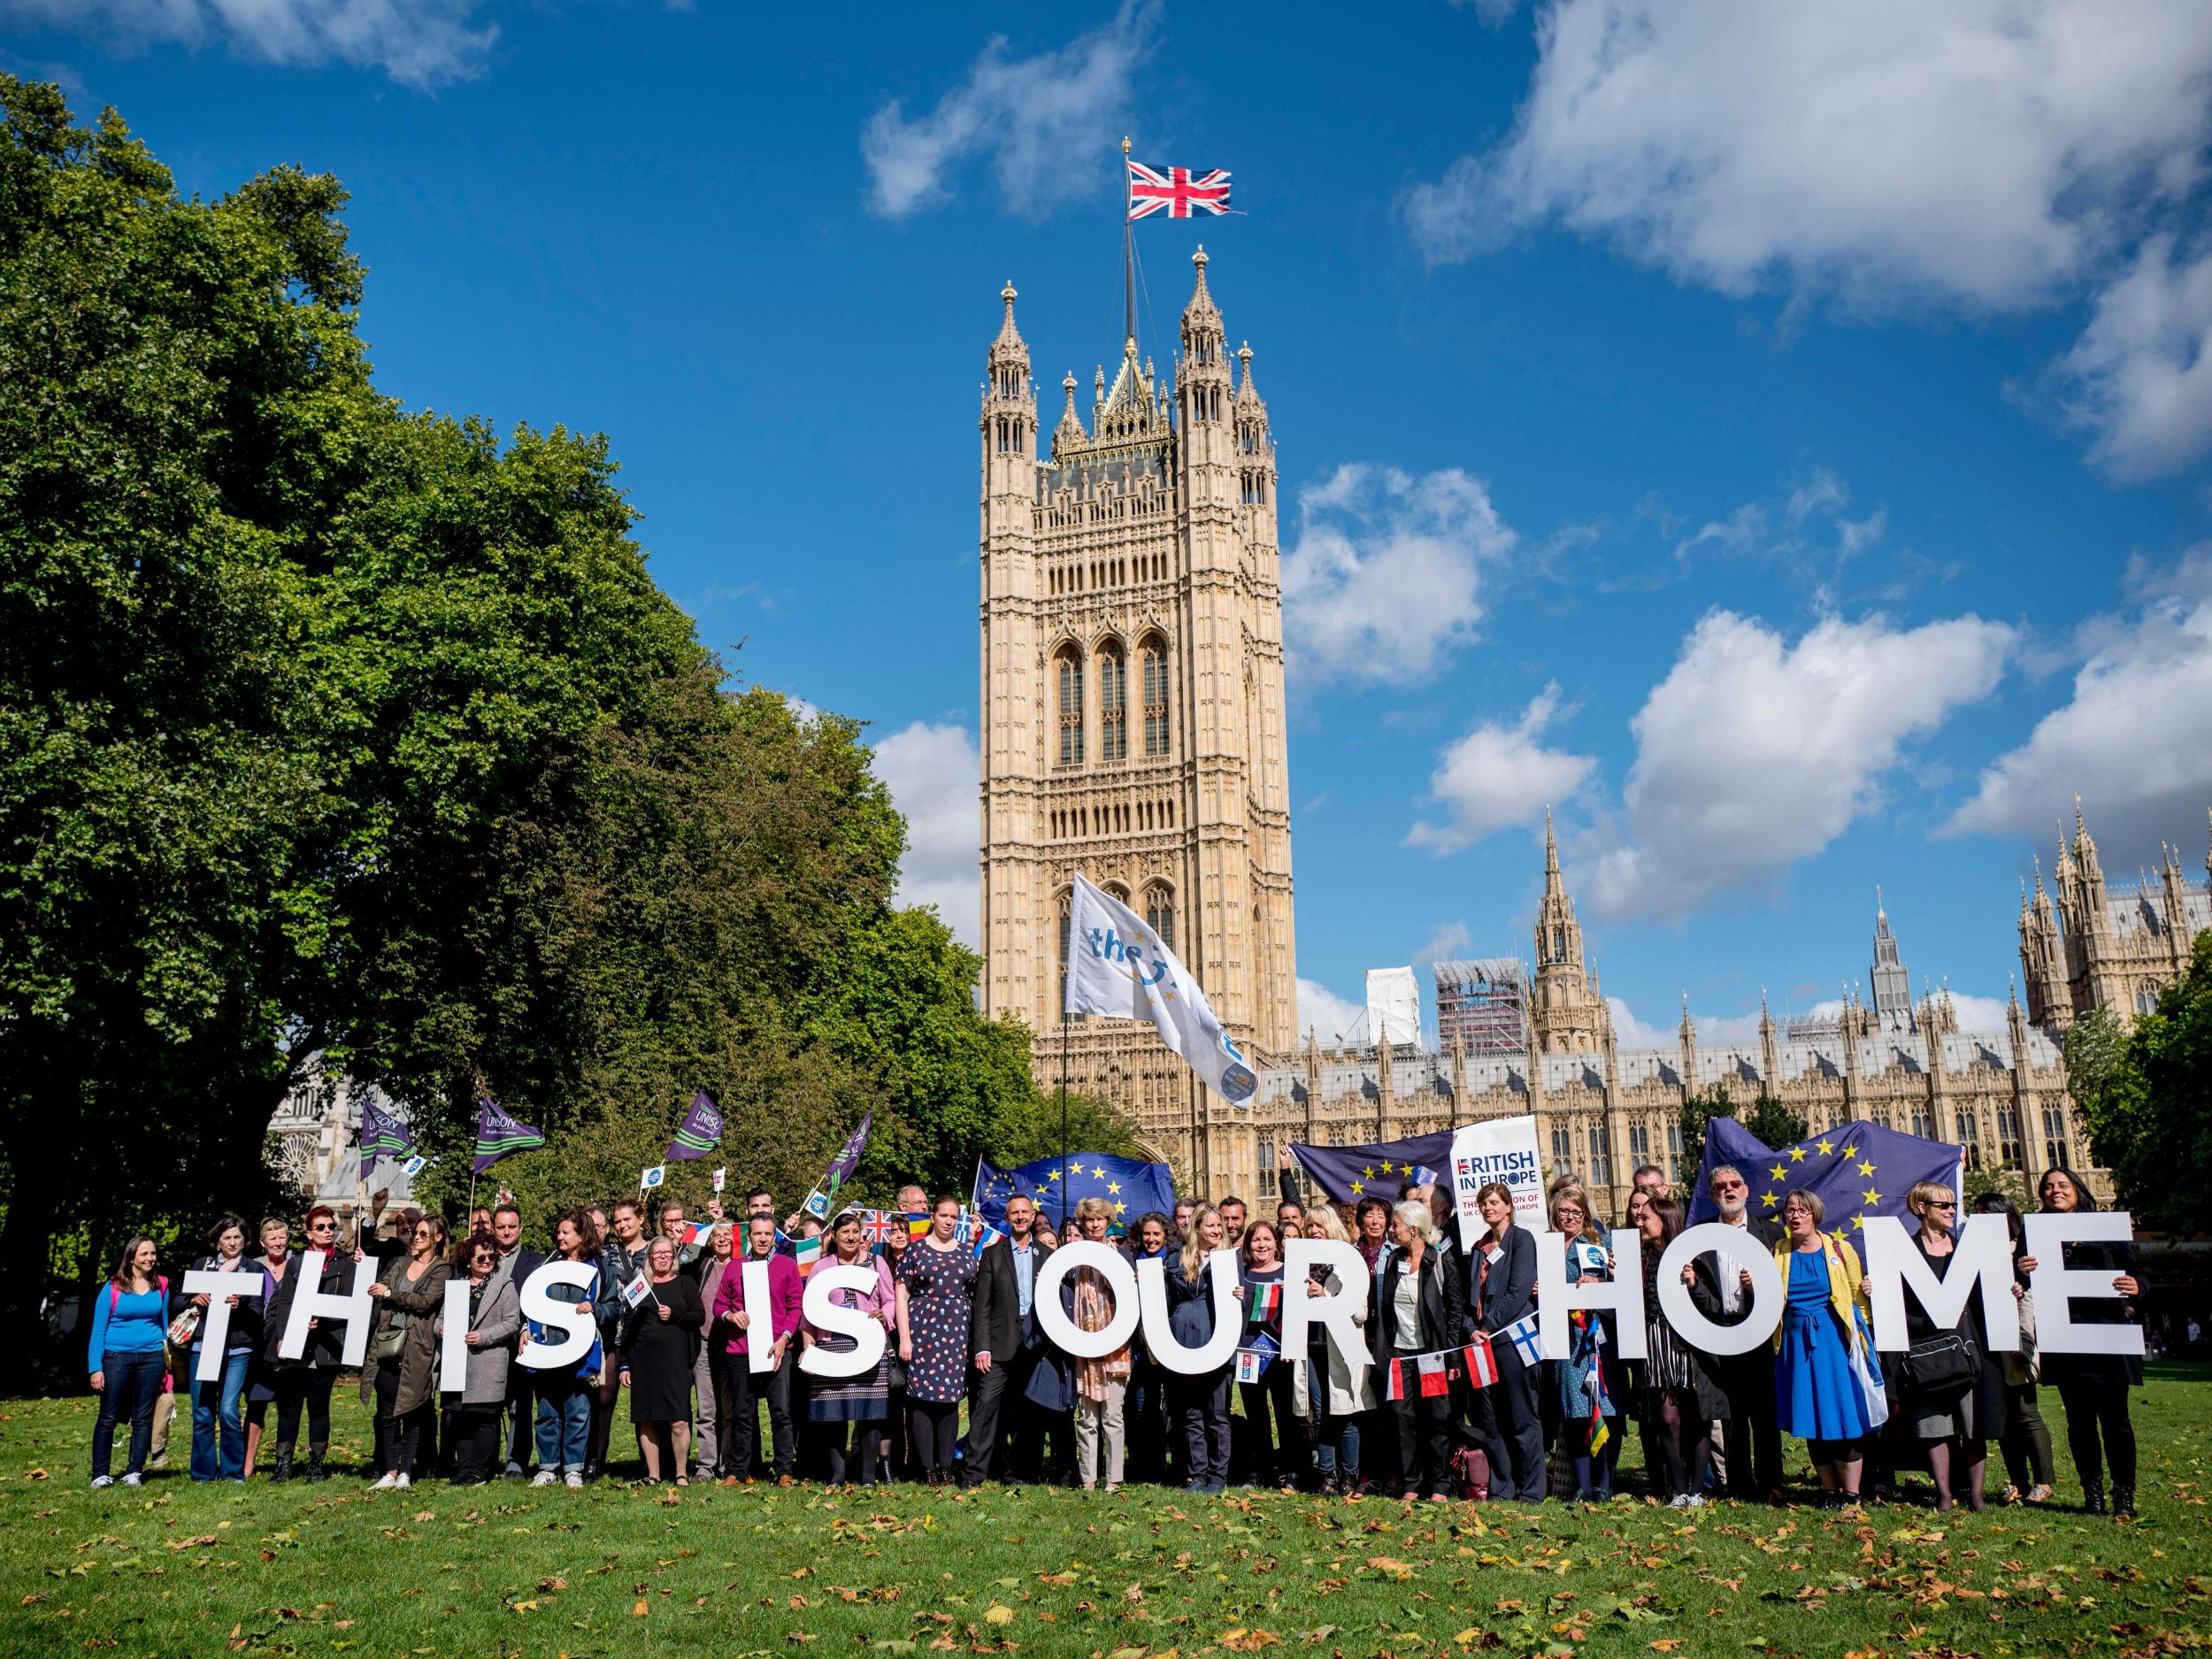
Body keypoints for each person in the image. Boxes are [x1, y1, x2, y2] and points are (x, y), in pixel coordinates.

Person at [2023, 1167, 2142, 1518]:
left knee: (2117, 1420)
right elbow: (2020, 1281)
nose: (2054, 1191)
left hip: (2107, 1334)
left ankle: (2123, 1494)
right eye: (2048, 1187)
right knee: (2079, 1422)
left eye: (2061, 1185)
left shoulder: (2103, 1228)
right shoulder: (2036, 1233)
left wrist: (2137, 1287)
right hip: (2065, 1338)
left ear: (2077, 1189)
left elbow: (2134, 1272)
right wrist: (2021, 1269)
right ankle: (2092, 1492)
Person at [1896, 1180, 2004, 1512]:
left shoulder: (1965, 1251)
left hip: (1969, 1350)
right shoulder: (1903, 1252)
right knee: (1935, 1426)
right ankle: (1944, 1494)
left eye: (1953, 1205)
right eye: (1942, 1205)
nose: (1951, 1211)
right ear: (1921, 1209)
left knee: (1974, 1427)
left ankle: (1976, 1495)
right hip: (1926, 1352)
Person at [1771, 1188, 1880, 1509]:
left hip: (1834, 1343)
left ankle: (1852, 1493)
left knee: (1842, 1417)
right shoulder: (1778, 1252)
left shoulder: (1839, 1248)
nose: (1795, 1215)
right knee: (1810, 1420)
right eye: (1790, 1210)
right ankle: (1830, 1492)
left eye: (1802, 1210)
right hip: (1795, 1344)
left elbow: (1857, 1300)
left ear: (1815, 1214)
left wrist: (1864, 1334)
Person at [1635, 1195, 1727, 1507]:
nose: (1640, 1221)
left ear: (1664, 1219)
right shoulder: (1639, 1258)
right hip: (1656, 1344)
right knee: (1668, 1419)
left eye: (1646, 1217)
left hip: (1689, 1347)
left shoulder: (1694, 1258)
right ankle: (1679, 1490)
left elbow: (1714, 1306)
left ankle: (1698, 1489)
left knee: (1697, 1418)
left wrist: (1694, 1284)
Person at [1370, 1200, 1463, 1502]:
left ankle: (1439, 1485)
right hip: (1401, 1355)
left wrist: (1452, 1356)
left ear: (1413, 1230)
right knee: (1402, 1416)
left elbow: (1453, 1311)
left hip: (1432, 1354)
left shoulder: (1438, 1261)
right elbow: (1385, 1307)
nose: (1390, 1229)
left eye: (1395, 1224)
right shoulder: (1392, 1260)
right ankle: (1411, 1483)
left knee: (1436, 1417)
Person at [1702, 1164, 1785, 1502]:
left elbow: (1787, 1285)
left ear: (1746, 1190)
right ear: (1713, 1195)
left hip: (1761, 1334)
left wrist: (1759, 1287)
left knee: (1765, 1413)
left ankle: (1771, 1483)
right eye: (1721, 1186)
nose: (1729, 1190)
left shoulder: (1772, 1233)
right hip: (1722, 1333)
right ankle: (1738, 1484)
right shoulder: (1701, 1235)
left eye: (1735, 1185)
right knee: (1731, 1415)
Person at [801, 1210, 895, 1486]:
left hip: (869, 1345)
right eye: (845, 1232)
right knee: (834, 1413)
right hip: (832, 1346)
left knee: (870, 1412)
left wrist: (883, 1314)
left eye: (855, 1231)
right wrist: (809, 1348)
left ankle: (867, 1475)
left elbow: (890, 1300)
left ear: (861, 1234)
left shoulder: (877, 1263)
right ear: (834, 1237)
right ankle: (837, 1475)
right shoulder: (821, 1268)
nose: (851, 1237)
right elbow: (808, 1314)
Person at [1972, 1191, 2054, 1505]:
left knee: (2025, 1412)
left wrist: (2025, 1343)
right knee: (2002, 1416)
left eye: (1986, 1213)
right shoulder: (1976, 1252)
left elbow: (2027, 1300)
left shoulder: (2019, 1251)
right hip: (1986, 1344)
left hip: (2014, 1343)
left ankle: (2044, 1481)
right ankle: (2018, 1480)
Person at [261, 1205, 349, 1482]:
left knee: (319, 1406)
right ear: (309, 1233)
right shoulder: (297, 1264)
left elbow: (348, 1303)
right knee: (288, 1407)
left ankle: (316, 1467)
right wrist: (282, 1337)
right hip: (296, 1345)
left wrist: (321, 1319)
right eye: (320, 1227)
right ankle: (283, 1466)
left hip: (326, 1347)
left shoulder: (344, 1265)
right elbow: (284, 1302)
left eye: (330, 1227)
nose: (327, 1231)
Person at [967, 1194, 1049, 1487]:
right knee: (986, 1406)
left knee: (1027, 1412)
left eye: (1024, 1212)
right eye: (1014, 1212)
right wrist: (983, 1347)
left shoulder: (1047, 1254)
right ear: (1007, 1216)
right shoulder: (993, 1253)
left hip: (1035, 1345)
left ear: (1032, 1215)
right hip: (999, 1345)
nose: (1020, 1217)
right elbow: (982, 1306)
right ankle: (974, 1473)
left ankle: (1019, 1473)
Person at [1470, 1181, 1544, 1502]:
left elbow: (1518, 1292)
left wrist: (1488, 1325)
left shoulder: (1522, 1240)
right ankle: (1503, 1487)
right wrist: (1471, 1328)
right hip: (1482, 1343)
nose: (1489, 1208)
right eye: (1484, 1203)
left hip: (1512, 1340)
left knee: (1522, 1417)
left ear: (1509, 1207)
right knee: (1494, 1419)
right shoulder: (1479, 1247)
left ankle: (1531, 1490)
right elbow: (1472, 1296)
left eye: (1495, 1202)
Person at [895, 1196, 978, 1487]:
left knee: (949, 1401)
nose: (948, 1221)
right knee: (921, 1400)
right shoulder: (915, 1251)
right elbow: (902, 1297)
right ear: (933, 1216)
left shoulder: (967, 1253)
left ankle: (945, 1468)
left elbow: (973, 1295)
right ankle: (927, 1469)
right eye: (943, 1215)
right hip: (922, 1333)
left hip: (956, 1335)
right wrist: (905, 1338)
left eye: (953, 1217)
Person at [713, 1213, 802, 1484]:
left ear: (774, 1236)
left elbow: (795, 1307)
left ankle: (784, 1471)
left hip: (777, 1350)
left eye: (767, 1234)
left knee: (781, 1414)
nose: (762, 1238)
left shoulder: (787, 1266)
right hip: (740, 1351)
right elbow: (719, 1303)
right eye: (757, 1234)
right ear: (749, 1236)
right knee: (742, 1414)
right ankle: (737, 1471)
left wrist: (784, 1339)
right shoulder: (735, 1267)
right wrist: (729, 1316)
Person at [365, 1213, 450, 1488]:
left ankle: (406, 1472)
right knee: (388, 1410)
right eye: (416, 1232)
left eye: (424, 1233)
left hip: (418, 1347)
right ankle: (389, 1472)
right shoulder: (400, 1263)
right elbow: (380, 1288)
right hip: (389, 1342)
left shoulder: (441, 1269)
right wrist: (386, 1292)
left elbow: (425, 1301)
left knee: (412, 1409)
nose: (416, 1237)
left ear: (437, 1238)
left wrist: (391, 1294)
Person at [1551, 1186, 1624, 1503]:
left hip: (1595, 1337)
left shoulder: (1597, 1242)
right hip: (1563, 1339)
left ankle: (1603, 1486)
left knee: (1602, 1409)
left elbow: (1620, 1283)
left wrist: (1602, 1281)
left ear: (1585, 1215)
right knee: (1574, 1412)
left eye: (1576, 1212)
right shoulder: (1548, 1246)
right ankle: (1581, 1486)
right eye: (1564, 1211)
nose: (1569, 1217)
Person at [175, 1216, 260, 1483]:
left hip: (237, 1349)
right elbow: (177, 1300)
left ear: (244, 1240)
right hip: (203, 1346)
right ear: (217, 1243)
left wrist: (241, 1306)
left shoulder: (253, 1269)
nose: (233, 1242)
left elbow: (259, 1311)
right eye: (227, 1238)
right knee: (202, 1412)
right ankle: (203, 1473)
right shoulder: (203, 1266)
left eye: (237, 1237)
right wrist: (193, 1298)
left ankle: (233, 1473)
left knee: (228, 1411)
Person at [1293, 1208, 1371, 1494]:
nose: (1313, 1231)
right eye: (1310, 1226)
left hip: (1339, 1349)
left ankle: (1349, 1475)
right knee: (1320, 1411)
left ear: (1331, 1227)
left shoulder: (1348, 1263)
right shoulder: (1301, 1265)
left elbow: (1360, 1313)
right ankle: (1327, 1475)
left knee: (1344, 1411)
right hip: (1311, 1348)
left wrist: (1326, 1296)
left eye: (1319, 1226)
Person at [526, 1210, 603, 1489]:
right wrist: (526, 1330)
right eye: (558, 1232)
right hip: (548, 1351)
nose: (559, 1237)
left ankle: (573, 1469)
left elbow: (615, 1306)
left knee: (577, 1412)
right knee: (547, 1411)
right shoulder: (547, 1266)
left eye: (565, 1232)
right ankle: (547, 1468)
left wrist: (595, 1308)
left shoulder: (599, 1269)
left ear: (581, 1236)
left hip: (580, 1355)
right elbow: (531, 1305)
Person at [618, 1237, 706, 1484]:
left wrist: (675, 1315)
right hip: (644, 1362)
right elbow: (628, 1329)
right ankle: (653, 1475)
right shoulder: (640, 1287)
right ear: (649, 1258)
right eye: (657, 1253)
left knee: (678, 1419)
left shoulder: (685, 1283)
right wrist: (624, 1363)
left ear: (674, 1256)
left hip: (674, 1362)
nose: (663, 1257)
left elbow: (699, 1316)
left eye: (668, 1252)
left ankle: (680, 1472)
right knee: (647, 1419)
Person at [1063, 1197, 1134, 1491]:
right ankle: (1088, 1478)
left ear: (1108, 1222)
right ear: (1083, 1222)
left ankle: (1114, 1478)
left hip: (1115, 1344)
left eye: (1099, 1219)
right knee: (1087, 1416)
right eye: (1089, 1220)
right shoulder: (1070, 1258)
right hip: (1084, 1344)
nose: (1094, 1224)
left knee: (1113, 1416)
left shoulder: (1122, 1255)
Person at [88, 1237, 169, 1490]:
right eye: (144, 1253)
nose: (150, 1258)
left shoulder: (162, 1285)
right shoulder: (112, 1287)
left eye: (153, 1253)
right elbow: (98, 1330)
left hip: (152, 1357)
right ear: (132, 1257)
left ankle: (134, 1470)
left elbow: (163, 1325)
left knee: (143, 1417)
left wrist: (166, 1362)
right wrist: (95, 1367)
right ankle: (100, 1473)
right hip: (117, 1357)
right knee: (109, 1416)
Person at [444, 1230, 521, 1486]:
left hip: (488, 1361)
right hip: (458, 1364)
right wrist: (441, 1328)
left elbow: (512, 1322)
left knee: (485, 1419)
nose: (487, 1261)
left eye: (491, 1257)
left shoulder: (504, 1285)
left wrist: (484, 1336)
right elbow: (440, 1320)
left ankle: (481, 1471)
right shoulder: (457, 1287)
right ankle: (463, 1469)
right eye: (481, 1258)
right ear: (468, 1261)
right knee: (461, 1419)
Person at [1169, 1203, 1233, 1494]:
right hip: (1183, 1339)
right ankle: (1198, 1474)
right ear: (1197, 1228)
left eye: (1219, 1226)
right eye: (1210, 1226)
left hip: (1217, 1339)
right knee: (1191, 1412)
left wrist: (1240, 1295)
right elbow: (1165, 1301)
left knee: (1216, 1413)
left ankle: (1218, 1477)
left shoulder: (1230, 1261)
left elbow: (1240, 1302)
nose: (1217, 1230)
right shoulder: (1176, 1260)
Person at [1234, 1219, 1302, 1489]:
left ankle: (1291, 1471)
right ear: (1248, 1245)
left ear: (1277, 1243)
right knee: (1256, 1414)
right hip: (1249, 1352)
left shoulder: (1290, 1273)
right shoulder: (1240, 1275)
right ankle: (1262, 1470)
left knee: (1286, 1415)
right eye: (1256, 1240)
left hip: (1281, 1353)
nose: (1261, 1245)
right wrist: (1233, 1295)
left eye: (1267, 1239)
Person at [588, 1199, 650, 1479]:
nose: (622, 1225)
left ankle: (651, 1465)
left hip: (646, 1336)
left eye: (627, 1219)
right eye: (617, 1221)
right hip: (613, 1335)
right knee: (603, 1399)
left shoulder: (656, 1250)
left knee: (648, 1403)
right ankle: (595, 1462)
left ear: (640, 1219)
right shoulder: (606, 1253)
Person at [487, 1204, 542, 1479]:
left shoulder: (538, 1262)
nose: (506, 1231)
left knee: (520, 1408)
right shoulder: (482, 1258)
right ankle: (485, 1462)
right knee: (488, 1406)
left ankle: (516, 1464)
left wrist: (527, 1328)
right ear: (493, 1229)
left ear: (521, 1228)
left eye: (511, 1226)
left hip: (521, 1343)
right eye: (501, 1227)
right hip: (487, 1344)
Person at [1125, 1210, 1176, 1486]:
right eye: (1147, 1234)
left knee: (1171, 1410)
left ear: (1166, 1236)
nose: (1152, 1239)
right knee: (1141, 1408)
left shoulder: (1174, 1262)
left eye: (1157, 1234)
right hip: (1140, 1349)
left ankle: (1167, 1465)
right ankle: (1142, 1465)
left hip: (1169, 1346)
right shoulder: (1133, 1262)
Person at [241, 1217, 294, 1479]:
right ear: (262, 1242)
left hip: (289, 1346)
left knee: (288, 1405)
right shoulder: (252, 1268)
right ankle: (247, 1464)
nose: (278, 1242)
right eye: (272, 1238)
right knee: (256, 1404)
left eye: (282, 1237)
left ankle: (284, 1463)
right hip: (258, 1347)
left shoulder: (297, 1266)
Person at [687, 1219, 738, 1479]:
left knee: (729, 1410)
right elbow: (683, 1255)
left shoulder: (743, 1267)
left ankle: (727, 1464)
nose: (722, 1239)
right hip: (705, 1344)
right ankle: (706, 1466)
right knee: (706, 1411)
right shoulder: (704, 1266)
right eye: (717, 1235)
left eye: (727, 1234)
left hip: (732, 1345)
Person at [659, 1201, 703, 1270]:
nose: (673, 1226)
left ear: (685, 1222)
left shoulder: (697, 1246)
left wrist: (719, 1219)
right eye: (669, 1221)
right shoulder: (655, 1245)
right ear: (662, 1222)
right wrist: (675, 1242)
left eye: (677, 1221)